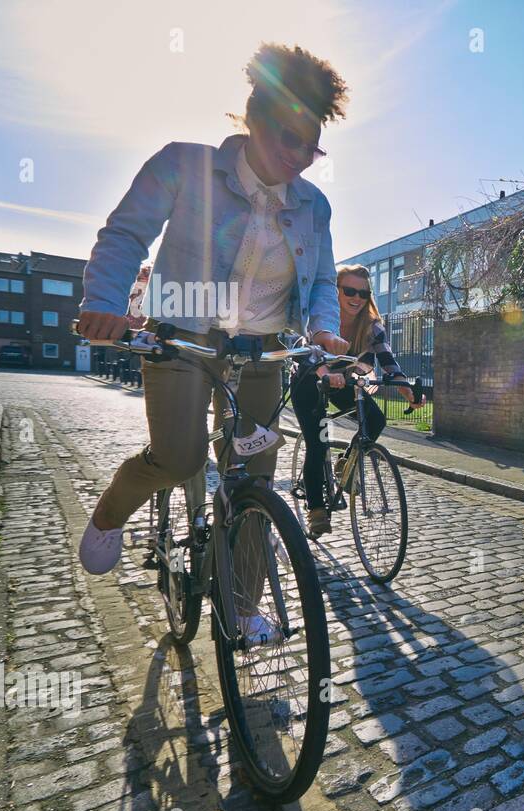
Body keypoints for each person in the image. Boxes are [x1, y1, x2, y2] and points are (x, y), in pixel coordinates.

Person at [74, 44, 350, 636]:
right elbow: (127, 235)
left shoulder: (314, 206)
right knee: (181, 456)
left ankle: (245, 607)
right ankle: (111, 512)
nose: (299, 156)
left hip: (262, 352)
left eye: (311, 145)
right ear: (253, 118)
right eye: (288, 137)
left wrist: (323, 327)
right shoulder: (184, 165)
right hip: (183, 341)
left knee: (254, 480)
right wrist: (102, 304)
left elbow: (324, 276)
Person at [292, 263, 422, 538]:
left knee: (375, 419)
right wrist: (325, 372)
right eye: (349, 290)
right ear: (335, 292)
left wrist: (405, 388)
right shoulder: (321, 317)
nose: (356, 298)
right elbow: (304, 350)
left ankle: (346, 463)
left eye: (363, 294)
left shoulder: (371, 326)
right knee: (318, 443)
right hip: (308, 380)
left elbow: (387, 359)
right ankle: (315, 509)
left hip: (341, 381)